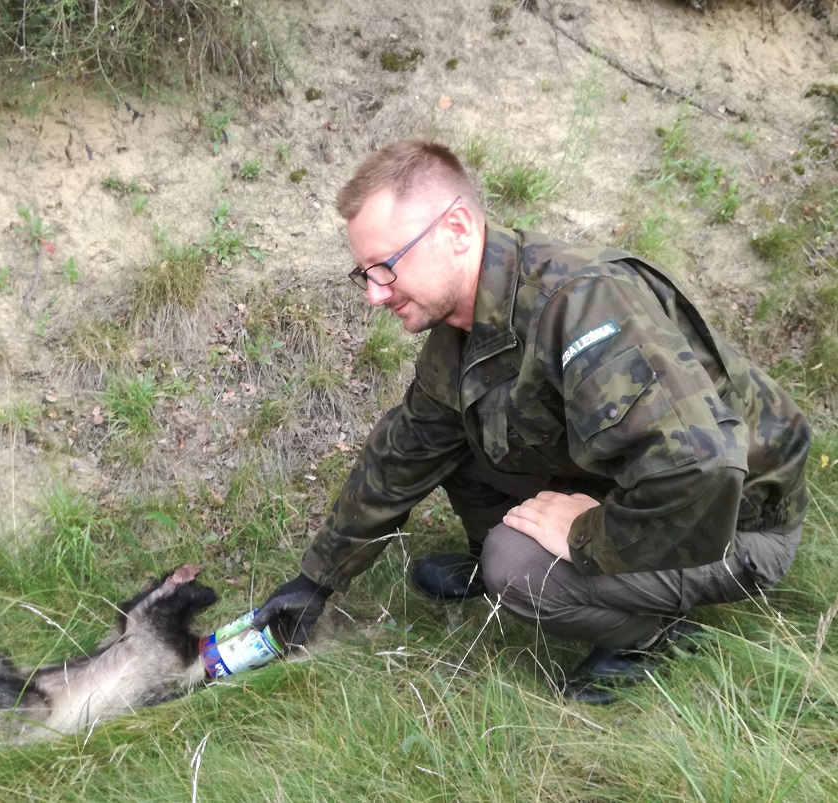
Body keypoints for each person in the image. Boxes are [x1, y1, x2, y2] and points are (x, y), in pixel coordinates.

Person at [252, 140, 810, 704]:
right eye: (364, 273)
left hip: (735, 524)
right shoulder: (466, 324)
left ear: (458, 229)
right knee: (459, 432)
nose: (374, 294)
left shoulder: (582, 303)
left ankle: (649, 634)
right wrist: (316, 582)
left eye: (386, 267)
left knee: (514, 566)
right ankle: (518, 547)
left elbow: (704, 470)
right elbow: (407, 449)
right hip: (640, 480)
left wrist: (585, 536)